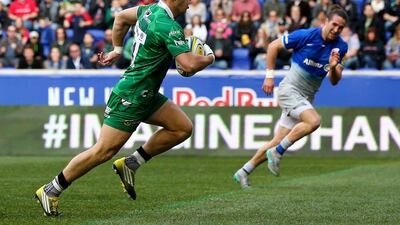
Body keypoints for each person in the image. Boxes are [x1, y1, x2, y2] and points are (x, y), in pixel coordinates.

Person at [34, 0, 215, 216]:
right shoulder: (167, 25)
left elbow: (120, 18)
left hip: (145, 93)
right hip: (131, 95)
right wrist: (209, 58)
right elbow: (188, 65)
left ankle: (131, 163)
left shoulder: (149, 11)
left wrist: (117, 49)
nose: (189, 5)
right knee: (103, 151)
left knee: (182, 128)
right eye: (187, 0)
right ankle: (51, 189)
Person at [233, 4, 348, 188]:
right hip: (289, 90)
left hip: (306, 97)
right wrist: (269, 77)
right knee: (314, 121)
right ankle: (278, 152)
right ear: (325, 21)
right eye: (334, 24)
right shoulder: (306, 35)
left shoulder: (340, 47)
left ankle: (244, 171)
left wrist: (334, 67)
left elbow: (334, 80)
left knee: (277, 140)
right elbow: (272, 46)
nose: (336, 29)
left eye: (340, 27)